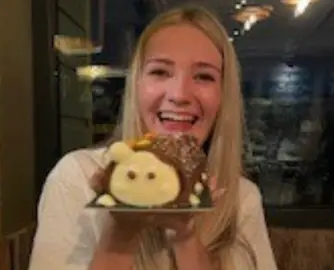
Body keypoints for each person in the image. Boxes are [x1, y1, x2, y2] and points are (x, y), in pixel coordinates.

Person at [29, 4, 278, 270]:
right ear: (137, 85)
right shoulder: (78, 178)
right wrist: (121, 233)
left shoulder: (241, 197)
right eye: (160, 71)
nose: (180, 94)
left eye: (204, 76)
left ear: (222, 96)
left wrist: (186, 235)